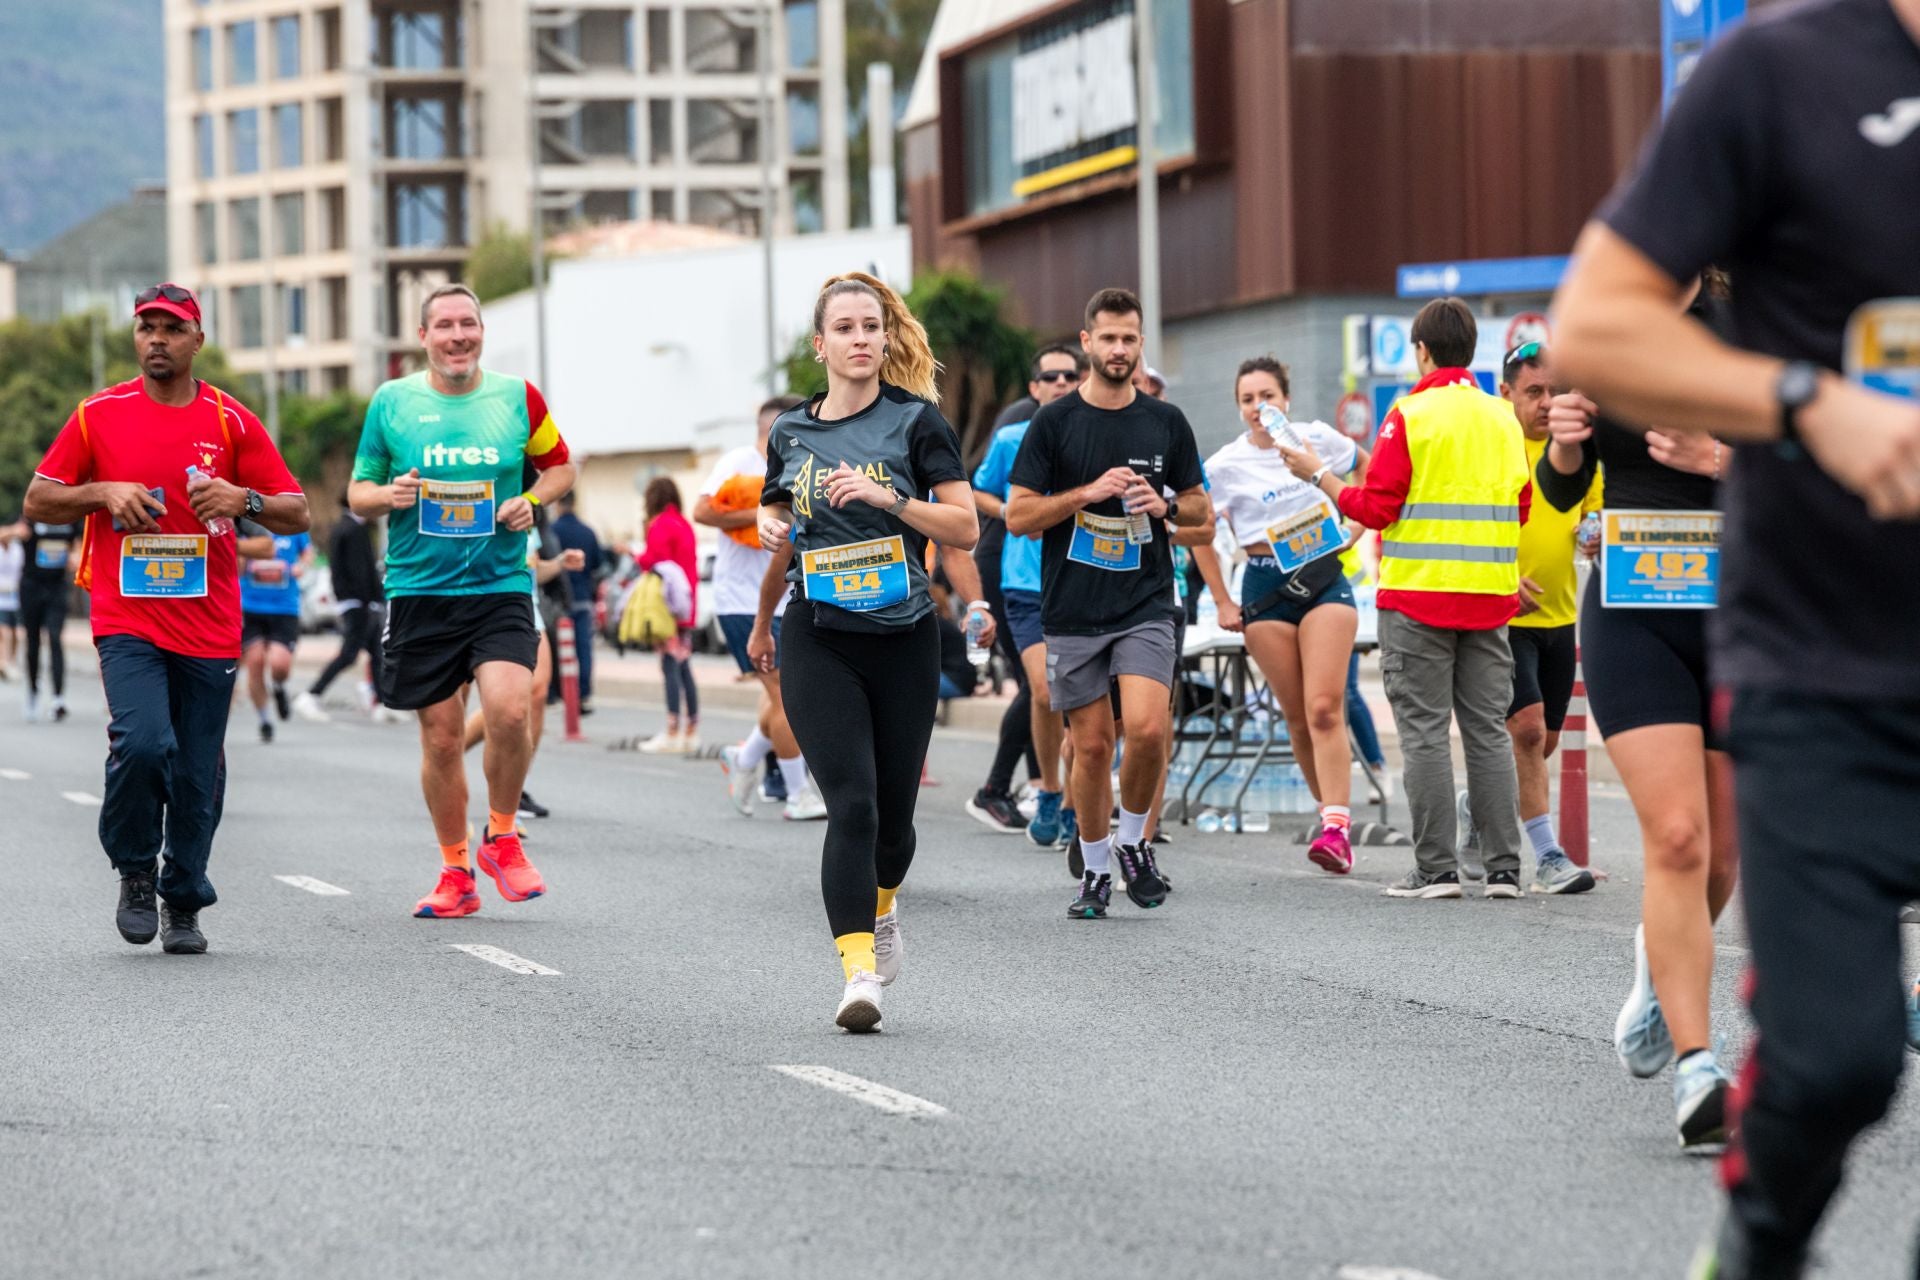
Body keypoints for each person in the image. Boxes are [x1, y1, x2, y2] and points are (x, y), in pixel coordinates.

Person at [1549, 1, 1920, 1267]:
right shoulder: (1779, 71)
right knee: (1837, 1061)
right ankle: (1753, 1239)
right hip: (1825, 661)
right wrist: (1798, 404)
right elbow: (1589, 330)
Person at [23, 282, 308, 953]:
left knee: (196, 771)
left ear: (197, 340)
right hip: (128, 618)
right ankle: (134, 870)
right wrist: (103, 492)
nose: (157, 339)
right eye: (146, 327)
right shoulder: (99, 414)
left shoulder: (231, 420)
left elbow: (296, 510)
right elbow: (40, 499)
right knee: (145, 741)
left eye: (172, 329)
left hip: (210, 623)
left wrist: (245, 500)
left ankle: (184, 898)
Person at [749, 269, 977, 1032]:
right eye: (844, 328)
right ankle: (858, 977)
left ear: (885, 338)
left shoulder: (917, 423)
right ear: (820, 345)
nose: (859, 340)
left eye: (870, 328)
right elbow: (776, 501)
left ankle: (882, 908)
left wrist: (889, 500)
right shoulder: (791, 430)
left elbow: (964, 528)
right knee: (849, 803)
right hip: (819, 632)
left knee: (894, 823)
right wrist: (769, 523)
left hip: (904, 634)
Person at [1543, 284, 1740, 1151]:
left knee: (1723, 858)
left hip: (1743, 609)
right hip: (1635, 600)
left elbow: (1820, 460)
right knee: (1677, 840)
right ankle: (1699, 1069)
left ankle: (1658, 971)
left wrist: (1720, 460)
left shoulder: (1756, 318)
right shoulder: (1600, 329)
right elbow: (1561, 493)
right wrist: (1562, 444)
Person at [1277, 297, 1531, 900]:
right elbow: (1519, 507)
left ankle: (1437, 869)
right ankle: (1503, 870)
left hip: (1418, 599)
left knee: (1422, 732)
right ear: (1473, 352)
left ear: (1421, 351)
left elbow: (1375, 506)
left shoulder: (1409, 414)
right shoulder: (1503, 417)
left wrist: (1317, 474)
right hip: (1491, 598)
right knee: (1488, 731)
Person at [348, 282, 575, 920]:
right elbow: (357, 491)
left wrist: (529, 503)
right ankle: (455, 872)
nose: (457, 336)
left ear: (480, 331)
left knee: (510, 711)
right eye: (443, 325)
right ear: (423, 337)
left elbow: (562, 468)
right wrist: (387, 494)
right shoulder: (392, 403)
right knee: (443, 740)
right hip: (419, 591)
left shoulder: (518, 397)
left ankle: (501, 835)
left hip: (499, 584)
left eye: (467, 324)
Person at [1005, 286, 1212, 919]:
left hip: (1145, 602)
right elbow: (1017, 515)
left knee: (1149, 729)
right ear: (1087, 341)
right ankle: (1094, 870)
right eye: (1109, 338)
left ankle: (1132, 843)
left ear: (1140, 344)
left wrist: (1168, 505)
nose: (1120, 349)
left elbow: (1203, 516)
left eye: (1130, 338)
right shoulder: (1056, 422)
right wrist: (1086, 492)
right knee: (1090, 748)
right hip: (1071, 607)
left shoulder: (1165, 422)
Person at [1194, 356, 1369, 874]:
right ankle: (1328, 816)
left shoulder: (1314, 437)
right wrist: (1223, 599)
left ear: (1285, 400)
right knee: (1295, 714)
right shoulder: (1225, 464)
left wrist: (1357, 525)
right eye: (1247, 399)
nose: (1257, 408)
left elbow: (1369, 467)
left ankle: (1338, 828)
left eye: (1267, 396)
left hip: (1324, 576)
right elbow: (1199, 529)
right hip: (1265, 584)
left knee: (1323, 707)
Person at [1463, 341, 1601, 896]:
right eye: (1534, 392)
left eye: (1555, 391)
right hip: (1502, 616)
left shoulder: (1581, 452)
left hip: (1560, 615)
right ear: (1506, 394)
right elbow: (1466, 524)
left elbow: (1594, 516)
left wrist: (1596, 534)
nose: (1547, 403)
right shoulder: (1494, 447)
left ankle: (1475, 801)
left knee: (1540, 744)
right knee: (1524, 732)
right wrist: (1501, 577)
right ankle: (1546, 857)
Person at [965, 342, 1086, 838]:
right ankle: (1050, 791)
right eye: (1050, 377)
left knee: (1081, 701)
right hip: (1023, 583)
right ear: (1034, 388)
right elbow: (977, 489)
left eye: (1068, 376)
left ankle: (1073, 805)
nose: (1060, 384)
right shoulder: (1013, 438)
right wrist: (1017, 517)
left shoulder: (1095, 435)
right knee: (1042, 688)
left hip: (1082, 580)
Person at [695, 394, 824, 820]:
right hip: (742, 601)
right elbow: (702, 510)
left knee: (781, 696)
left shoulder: (803, 464)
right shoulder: (738, 463)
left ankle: (746, 757)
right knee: (789, 698)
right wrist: (759, 516)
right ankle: (796, 793)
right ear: (771, 429)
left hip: (791, 598)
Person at [462, 520, 583, 826]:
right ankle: (450, 757)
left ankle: (514, 788)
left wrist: (557, 564)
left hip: (528, 606)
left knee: (538, 693)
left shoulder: (528, 511)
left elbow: (532, 570)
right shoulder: (490, 502)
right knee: (506, 706)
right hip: (491, 606)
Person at [292, 493, 388, 721]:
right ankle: (311, 693)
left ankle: (381, 703)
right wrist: (371, 599)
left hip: (354, 601)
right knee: (350, 653)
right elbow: (360, 571)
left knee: (375, 652)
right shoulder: (353, 530)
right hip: (357, 602)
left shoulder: (344, 527)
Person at [635, 477, 701, 754]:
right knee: (684, 667)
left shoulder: (659, 525)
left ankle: (672, 731)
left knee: (670, 667)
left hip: (666, 607)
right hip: (687, 604)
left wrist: (635, 556)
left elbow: (655, 562)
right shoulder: (684, 524)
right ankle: (691, 731)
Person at [234, 518, 312, 742]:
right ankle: (265, 719)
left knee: (280, 663)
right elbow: (236, 562)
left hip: (285, 607)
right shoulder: (246, 525)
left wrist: (301, 567)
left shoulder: (291, 525)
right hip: (251, 605)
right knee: (255, 662)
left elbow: (307, 554)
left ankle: (278, 686)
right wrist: (244, 562)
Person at [19, 512, 81, 722]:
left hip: (56, 587)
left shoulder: (70, 518)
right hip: (31, 585)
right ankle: (33, 693)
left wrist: (76, 555)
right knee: (33, 641)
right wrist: (15, 532)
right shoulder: (30, 514)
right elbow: (6, 532)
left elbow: (78, 544)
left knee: (55, 638)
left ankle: (58, 698)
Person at [549, 494, 604, 713]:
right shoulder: (588, 532)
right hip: (583, 598)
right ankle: (583, 694)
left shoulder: (552, 531)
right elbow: (599, 567)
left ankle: (554, 694)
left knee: (557, 649)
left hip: (558, 601)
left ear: (559, 505)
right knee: (584, 649)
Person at [0, 522, 21, 680]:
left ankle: (11, 660)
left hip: (15, 596)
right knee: (4, 631)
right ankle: (4, 662)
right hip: (0, 597)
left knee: (14, 633)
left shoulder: (17, 549)